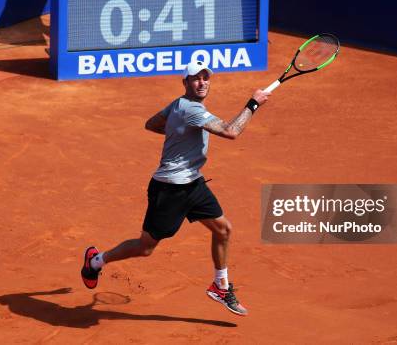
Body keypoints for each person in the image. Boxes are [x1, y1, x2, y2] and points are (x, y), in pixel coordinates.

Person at [80, 60, 270, 316]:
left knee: (223, 229)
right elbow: (230, 131)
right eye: (195, 78)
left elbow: (152, 124)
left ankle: (220, 286)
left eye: (206, 78)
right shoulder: (191, 110)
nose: (202, 83)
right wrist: (253, 103)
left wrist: (177, 133)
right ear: (185, 82)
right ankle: (95, 261)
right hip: (169, 190)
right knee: (145, 248)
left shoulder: (178, 105)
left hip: (193, 183)